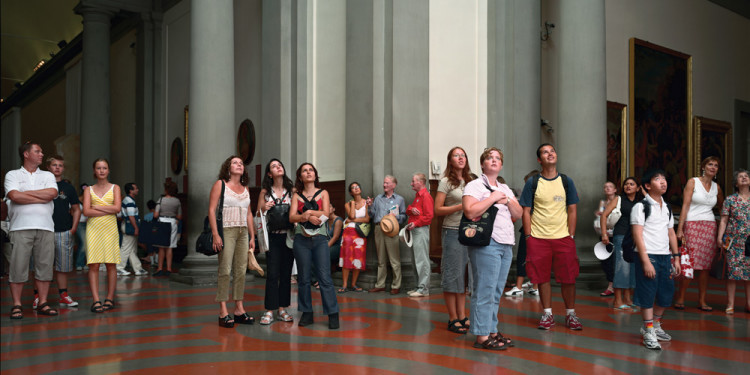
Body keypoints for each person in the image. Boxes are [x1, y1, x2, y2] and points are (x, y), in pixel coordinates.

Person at [462, 147, 523, 350]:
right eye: (490, 158)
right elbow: (470, 212)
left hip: (506, 243)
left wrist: (504, 198)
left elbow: (519, 212)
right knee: (484, 289)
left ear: (501, 165)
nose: (494, 160)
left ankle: (492, 330)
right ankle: (481, 335)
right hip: (486, 242)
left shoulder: (505, 188)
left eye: (498, 158)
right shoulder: (474, 185)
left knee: (496, 291)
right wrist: (493, 198)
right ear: (482, 164)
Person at [519, 143, 581, 330]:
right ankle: (547, 314)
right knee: (542, 277)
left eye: (552, 151)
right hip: (538, 238)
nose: (550, 153)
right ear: (539, 159)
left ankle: (571, 314)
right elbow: (526, 211)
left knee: (569, 277)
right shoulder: (533, 182)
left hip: (563, 237)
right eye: (545, 152)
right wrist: (529, 237)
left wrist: (570, 235)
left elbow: (572, 209)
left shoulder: (566, 181)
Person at [5, 142, 59, 319]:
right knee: (18, 267)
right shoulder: (12, 174)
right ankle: (17, 304)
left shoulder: (48, 175)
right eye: (38, 151)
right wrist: (39, 195)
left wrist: (25, 194)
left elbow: (51, 194)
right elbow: (14, 196)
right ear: (26, 154)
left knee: (44, 267)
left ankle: (42, 302)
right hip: (20, 227)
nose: (42, 154)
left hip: (45, 227)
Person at [631, 169, 680, 350]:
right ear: (647, 186)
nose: (663, 182)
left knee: (666, 293)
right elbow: (637, 234)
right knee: (647, 292)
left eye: (664, 179)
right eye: (657, 179)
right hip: (647, 254)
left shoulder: (666, 207)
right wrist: (645, 261)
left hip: (664, 255)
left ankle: (655, 324)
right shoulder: (641, 206)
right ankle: (648, 329)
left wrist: (676, 257)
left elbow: (671, 233)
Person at [208, 156, 259, 328]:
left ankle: (239, 308)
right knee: (225, 269)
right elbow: (211, 209)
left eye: (241, 163)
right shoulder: (220, 185)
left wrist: (252, 236)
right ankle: (223, 310)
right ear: (228, 167)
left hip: (243, 231)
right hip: (227, 231)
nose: (239, 165)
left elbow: (249, 213)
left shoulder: (245, 188)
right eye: (235, 163)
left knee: (240, 270)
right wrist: (216, 234)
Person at [289, 162, 339, 329]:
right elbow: (291, 217)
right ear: (300, 176)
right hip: (301, 241)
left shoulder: (323, 193)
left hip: (319, 240)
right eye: (305, 170)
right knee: (303, 278)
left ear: (315, 175)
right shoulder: (296, 196)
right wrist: (304, 217)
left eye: (311, 170)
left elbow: (326, 212)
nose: (308, 172)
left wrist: (308, 214)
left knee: (324, 277)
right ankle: (307, 313)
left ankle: (332, 313)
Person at [674, 156, 723, 311]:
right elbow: (685, 206)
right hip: (692, 224)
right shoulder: (693, 182)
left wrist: (725, 228)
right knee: (690, 263)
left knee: (706, 266)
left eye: (716, 165)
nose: (713, 167)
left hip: (709, 226)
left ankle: (702, 301)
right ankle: (681, 297)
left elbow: (723, 209)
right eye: (710, 164)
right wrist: (680, 229)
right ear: (703, 166)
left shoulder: (717, 187)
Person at [435, 147, 475, 333]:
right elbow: (438, 210)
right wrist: (461, 206)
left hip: (470, 231)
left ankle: (462, 315)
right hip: (452, 231)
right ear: (450, 161)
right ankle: (452, 318)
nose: (461, 158)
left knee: (463, 276)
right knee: (453, 275)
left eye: (463, 155)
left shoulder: (471, 180)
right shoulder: (445, 182)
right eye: (456, 155)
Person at [257, 158, 296, 325]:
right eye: (274, 166)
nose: (278, 167)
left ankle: (282, 309)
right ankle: (269, 310)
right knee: (272, 273)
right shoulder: (265, 192)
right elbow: (258, 213)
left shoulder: (292, 191)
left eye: (279, 165)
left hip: (289, 235)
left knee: (286, 274)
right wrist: (264, 207)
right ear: (269, 174)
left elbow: (298, 210)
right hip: (272, 236)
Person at [82, 158, 122, 313]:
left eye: (104, 168)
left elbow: (117, 208)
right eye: (98, 168)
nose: (101, 170)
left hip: (110, 228)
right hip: (94, 229)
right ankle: (96, 300)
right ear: (94, 171)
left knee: (111, 264)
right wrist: (108, 208)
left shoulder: (115, 188)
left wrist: (97, 206)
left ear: (108, 170)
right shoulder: (88, 190)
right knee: (94, 264)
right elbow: (86, 211)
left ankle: (110, 298)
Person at [45, 155, 81, 308]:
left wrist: (73, 228)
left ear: (63, 168)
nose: (57, 167)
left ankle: (63, 295)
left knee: (63, 266)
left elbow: (76, 209)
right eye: (54, 165)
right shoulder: (42, 185)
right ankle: (38, 297)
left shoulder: (68, 188)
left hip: (63, 231)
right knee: (42, 265)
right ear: (48, 167)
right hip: (44, 230)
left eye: (60, 165)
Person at [601, 177, 642, 310]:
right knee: (621, 268)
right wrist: (604, 234)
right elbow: (604, 215)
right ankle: (617, 301)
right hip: (621, 236)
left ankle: (628, 299)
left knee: (632, 269)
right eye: (626, 184)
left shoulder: (640, 202)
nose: (628, 186)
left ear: (638, 187)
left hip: (635, 238)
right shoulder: (618, 199)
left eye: (632, 184)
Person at [717, 169, 750, 315]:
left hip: (749, 241)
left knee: (749, 274)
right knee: (732, 273)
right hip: (733, 240)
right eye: (740, 177)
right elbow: (724, 220)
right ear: (735, 183)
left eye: (746, 176)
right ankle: (730, 304)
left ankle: (749, 303)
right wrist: (720, 237)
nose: (744, 178)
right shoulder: (730, 200)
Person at [367, 176, 407, 294]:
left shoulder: (399, 199)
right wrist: (370, 205)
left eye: (387, 183)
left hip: (392, 229)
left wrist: (397, 217)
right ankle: (380, 285)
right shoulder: (378, 198)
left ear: (394, 185)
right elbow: (372, 215)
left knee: (394, 259)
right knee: (381, 259)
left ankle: (396, 286)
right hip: (379, 228)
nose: (384, 185)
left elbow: (404, 216)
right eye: (384, 183)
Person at [505, 170, 539, 297]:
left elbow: (525, 211)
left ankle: (518, 286)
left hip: (530, 229)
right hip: (538, 229)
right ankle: (535, 285)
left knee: (522, 256)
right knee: (534, 258)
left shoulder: (531, 195)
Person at [406, 173, 434, 297]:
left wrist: (415, 223)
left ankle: (423, 289)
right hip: (415, 230)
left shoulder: (426, 196)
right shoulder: (418, 196)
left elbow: (429, 217)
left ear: (421, 182)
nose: (411, 184)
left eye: (413, 181)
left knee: (422, 260)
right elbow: (409, 210)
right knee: (415, 259)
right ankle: (418, 286)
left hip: (421, 230)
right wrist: (410, 209)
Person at [338, 182, 370, 293]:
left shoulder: (367, 203)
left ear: (360, 189)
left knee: (358, 257)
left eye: (357, 187)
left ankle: (353, 284)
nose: (356, 189)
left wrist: (352, 220)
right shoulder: (348, 204)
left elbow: (367, 219)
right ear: (350, 192)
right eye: (353, 188)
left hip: (360, 233)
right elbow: (351, 215)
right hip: (348, 232)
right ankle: (345, 284)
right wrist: (352, 205)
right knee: (347, 257)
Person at [117, 183, 147, 276]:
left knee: (132, 249)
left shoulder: (127, 200)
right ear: (131, 191)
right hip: (130, 225)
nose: (137, 190)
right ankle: (119, 268)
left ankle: (138, 268)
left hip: (127, 225)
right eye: (136, 188)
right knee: (126, 248)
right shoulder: (129, 201)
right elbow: (131, 216)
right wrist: (136, 228)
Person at [153, 181, 182, 277]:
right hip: (172, 222)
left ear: (166, 190)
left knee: (161, 247)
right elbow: (179, 215)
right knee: (170, 246)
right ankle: (169, 269)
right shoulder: (177, 201)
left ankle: (160, 268)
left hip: (162, 222)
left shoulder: (161, 200)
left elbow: (156, 214)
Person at [596, 181, 618, 297]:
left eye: (610, 187)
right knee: (605, 261)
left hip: (615, 234)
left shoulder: (619, 202)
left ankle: (612, 286)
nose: (607, 189)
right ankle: (612, 284)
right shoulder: (603, 202)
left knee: (614, 261)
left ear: (615, 190)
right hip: (604, 234)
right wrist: (599, 214)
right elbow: (600, 218)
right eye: (605, 187)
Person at [75, 184, 89, 271]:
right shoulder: (76, 201)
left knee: (86, 244)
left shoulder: (88, 201)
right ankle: (79, 264)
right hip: (79, 224)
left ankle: (84, 263)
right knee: (84, 243)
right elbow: (73, 213)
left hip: (88, 224)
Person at [142, 199, 157, 265]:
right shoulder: (158, 215)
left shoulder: (146, 216)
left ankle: (150, 259)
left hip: (150, 235)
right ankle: (155, 259)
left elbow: (145, 227)